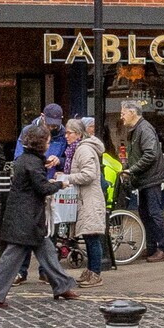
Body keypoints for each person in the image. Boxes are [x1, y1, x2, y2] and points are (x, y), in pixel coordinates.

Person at [0, 123, 78, 307]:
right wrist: (60, 184)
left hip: (25, 217)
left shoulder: (26, 159)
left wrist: (44, 165)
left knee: (48, 252)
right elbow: (42, 188)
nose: (49, 144)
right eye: (47, 141)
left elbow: (33, 176)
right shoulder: (32, 163)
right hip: (27, 219)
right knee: (11, 259)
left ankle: (62, 286)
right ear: (41, 143)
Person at [120, 100, 164, 263]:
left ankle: (163, 249)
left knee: (154, 213)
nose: (121, 116)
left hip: (151, 178)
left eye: (123, 113)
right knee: (145, 213)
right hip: (144, 179)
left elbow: (151, 154)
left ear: (133, 113)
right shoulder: (136, 129)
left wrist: (131, 170)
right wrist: (128, 167)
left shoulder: (144, 128)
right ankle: (152, 246)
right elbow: (137, 154)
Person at [63, 117, 109, 286]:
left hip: (90, 199)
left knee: (92, 237)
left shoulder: (84, 150)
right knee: (89, 237)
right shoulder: (78, 149)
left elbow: (89, 175)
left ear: (78, 134)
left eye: (69, 133)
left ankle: (95, 274)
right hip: (85, 199)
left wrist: (67, 178)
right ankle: (90, 271)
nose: (66, 136)